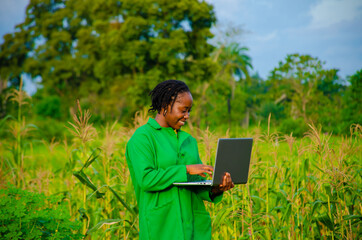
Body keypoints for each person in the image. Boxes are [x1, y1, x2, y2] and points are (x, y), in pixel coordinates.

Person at [125, 80, 234, 240]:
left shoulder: (189, 140)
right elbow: (146, 179)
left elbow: (196, 184)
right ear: (164, 105)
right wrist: (186, 170)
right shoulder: (143, 138)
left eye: (189, 111)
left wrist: (217, 188)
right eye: (183, 110)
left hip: (194, 229)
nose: (187, 116)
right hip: (161, 228)